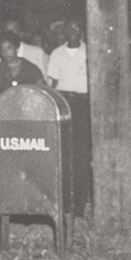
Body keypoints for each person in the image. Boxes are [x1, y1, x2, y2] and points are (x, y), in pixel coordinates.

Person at [46, 18, 90, 215]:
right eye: (69, 28)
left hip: (83, 104)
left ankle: (81, 203)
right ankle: (65, 201)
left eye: (76, 27)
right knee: (64, 153)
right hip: (64, 103)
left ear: (81, 30)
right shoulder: (56, 53)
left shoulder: (90, 51)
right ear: (64, 32)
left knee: (82, 155)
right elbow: (51, 84)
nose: (73, 31)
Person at [0, 31, 44, 98]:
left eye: (9, 48)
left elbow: (41, 94)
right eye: (2, 49)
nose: (5, 52)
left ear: (17, 48)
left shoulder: (31, 69)